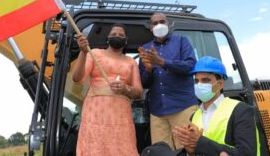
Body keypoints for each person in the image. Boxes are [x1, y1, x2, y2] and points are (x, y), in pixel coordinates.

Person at [71, 23, 143, 156]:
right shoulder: (94, 53)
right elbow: (77, 78)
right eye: (114, 34)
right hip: (95, 114)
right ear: (107, 38)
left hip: (120, 117)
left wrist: (125, 89)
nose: (117, 36)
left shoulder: (131, 62)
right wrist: (83, 52)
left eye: (121, 35)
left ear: (126, 40)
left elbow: (138, 92)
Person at [173, 56, 260, 156]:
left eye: (205, 80)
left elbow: (247, 153)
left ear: (220, 84)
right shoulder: (194, 116)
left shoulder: (240, 111)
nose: (199, 85)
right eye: (196, 81)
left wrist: (200, 142)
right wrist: (190, 151)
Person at [138, 12, 199, 150]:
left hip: (182, 107)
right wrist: (148, 70)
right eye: (155, 23)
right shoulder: (146, 48)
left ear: (168, 24)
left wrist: (162, 62)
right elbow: (143, 83)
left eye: (162, 21)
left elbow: (190, 66)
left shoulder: (182, 41)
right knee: (161, 152)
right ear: (150, 27)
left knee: (187, 150)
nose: (159, 25)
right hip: (158, 113)